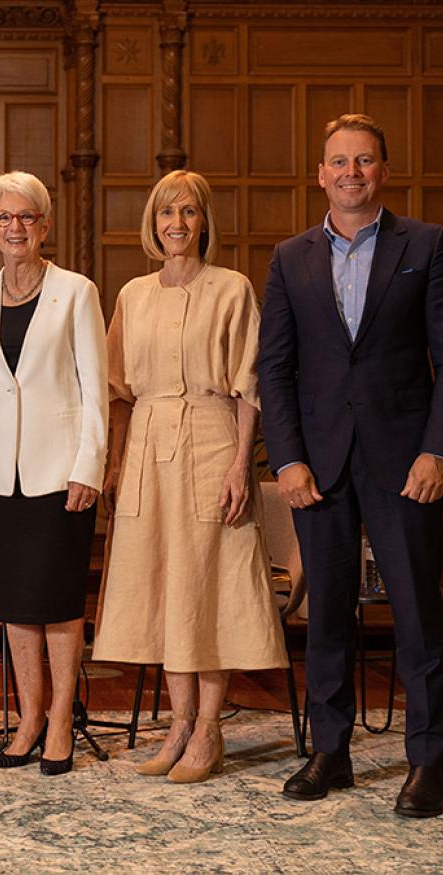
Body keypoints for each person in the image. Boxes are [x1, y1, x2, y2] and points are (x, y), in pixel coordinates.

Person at [258, 114, 443, 818]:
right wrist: (285, 458)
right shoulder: (290, 258)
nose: (352, 172)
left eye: (365, 161)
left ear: (384, 169)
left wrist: (438, 449)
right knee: (326, 618)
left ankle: (426, 760)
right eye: (339, 162)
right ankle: (330, 751)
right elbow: (276, 369)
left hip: (406, 461)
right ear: (320, 173)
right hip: (317, 465)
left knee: (415, 615)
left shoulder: (428, 245)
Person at [92, 169, 288, 784]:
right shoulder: (131, 295)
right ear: (152, 224)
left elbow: (250, 386)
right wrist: (117, 463)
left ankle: (208, 727)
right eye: (166, 213)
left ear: (205, 221)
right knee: (163, 586)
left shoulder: (231, 290)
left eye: (189, 212)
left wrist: (241, 466)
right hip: (149, 443)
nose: (177, 223)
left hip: (210, 440)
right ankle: (177, 723)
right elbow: (118, 389)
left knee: (209, 585)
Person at [0, 171, 107, 776]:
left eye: (26, 217)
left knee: (59, 601)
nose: (14, 228)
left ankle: (64, 719)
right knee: (16, 602)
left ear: (45, 225)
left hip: (60, 472)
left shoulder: (77, 291)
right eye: (3, 218)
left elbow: (96, 390)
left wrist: (88, 466)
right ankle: (29, 718)